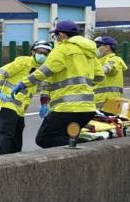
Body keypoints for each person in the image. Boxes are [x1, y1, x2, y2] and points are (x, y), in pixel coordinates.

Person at [10, 21, 99, 149]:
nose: (56, 39)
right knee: (66, 137)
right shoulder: (89, 53)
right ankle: (81, 146)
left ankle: (87, 143)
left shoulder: (62, 49)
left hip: (67, 108)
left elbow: (44, 71)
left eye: (56, 35)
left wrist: (23, 84)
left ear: (62, 35)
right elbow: (99, 75)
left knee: (44, 138)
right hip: (88, 108)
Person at [0, 40, 51, 154]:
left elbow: (46, 86)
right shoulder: (24, 61)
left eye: (45, 53)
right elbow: (3, 71)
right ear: (33, 52)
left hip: (20, 109)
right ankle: (3, 162)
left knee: (17, 141)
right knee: (7, 137)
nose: (43, 55)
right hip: (7, 104)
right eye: (40, 52)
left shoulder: (43, 69)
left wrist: (44, 104)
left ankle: (15, 162)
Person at [92, 36, 128, 104]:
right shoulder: (98, 61)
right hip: (96, 101)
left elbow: (109, 67)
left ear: (107, 47)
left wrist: (101, 70)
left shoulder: (114, 59)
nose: (96, 48)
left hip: (107, 101)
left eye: (98, 46)